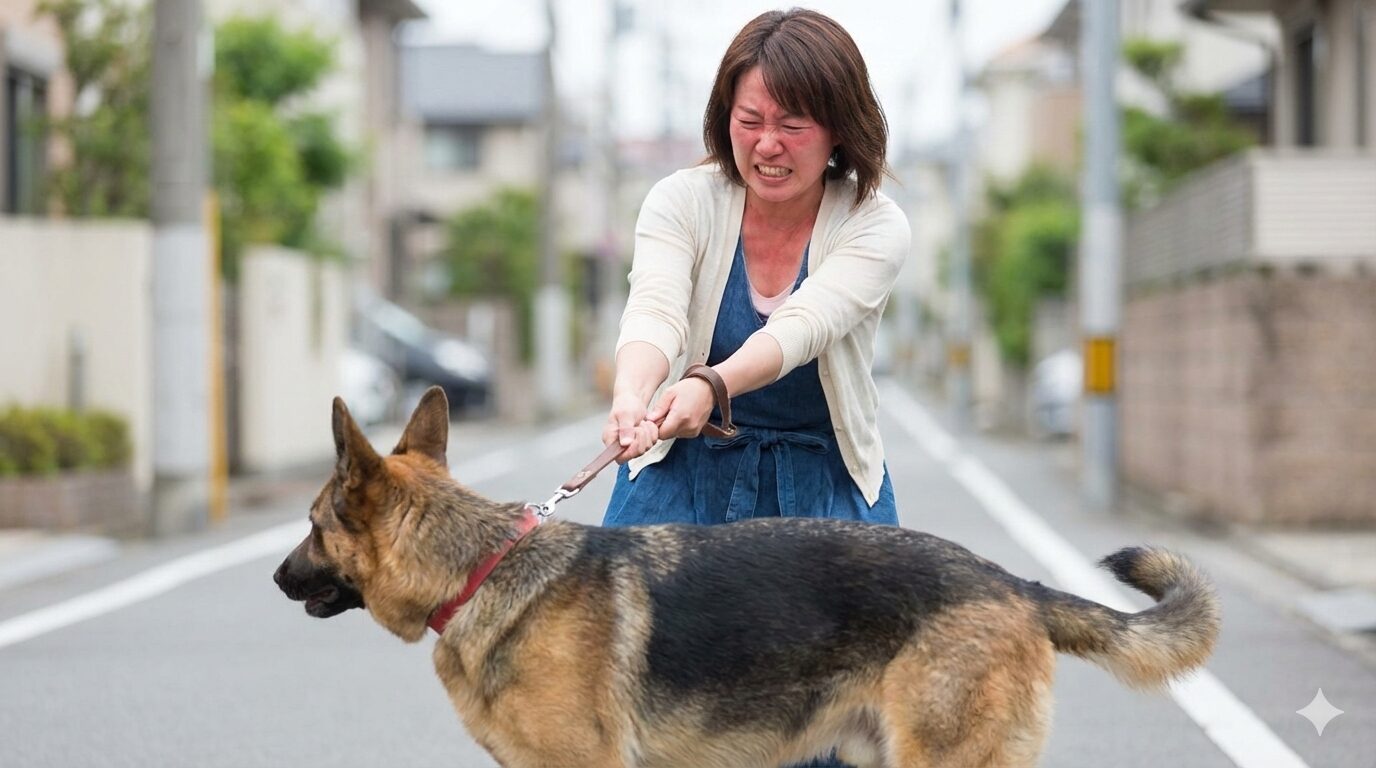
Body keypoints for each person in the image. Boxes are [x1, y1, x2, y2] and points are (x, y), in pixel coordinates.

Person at [600, 10, 909, 767]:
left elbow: (803, 326)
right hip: (684, 476)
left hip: (824, 489)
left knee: (827, 730)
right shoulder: (682, 199)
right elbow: (657, 308)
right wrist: (632, 394)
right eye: (750, 120)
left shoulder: (876, 224)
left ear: (840, 129)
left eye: (793, 125)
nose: (767, 145)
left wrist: (709, 383)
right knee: (640, 703)